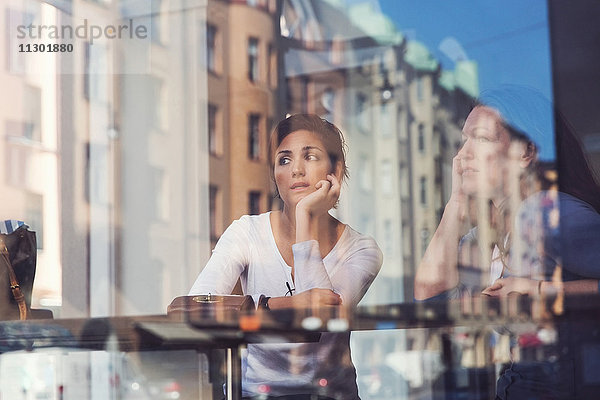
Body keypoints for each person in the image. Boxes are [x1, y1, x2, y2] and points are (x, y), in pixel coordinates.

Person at [413, 85, 600, 399]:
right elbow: (429, 297)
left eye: (483, 139)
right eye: (464, 140)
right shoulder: (489, 235)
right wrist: (456, 202)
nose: (462, 156)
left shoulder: (548, 214)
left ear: (525, 153)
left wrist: (542, 291)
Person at [189, 114, 383, 400]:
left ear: (336, 170)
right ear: (274, 175)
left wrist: (305, 217)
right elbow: (195, 308)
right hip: (257, 395)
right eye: (284, 160)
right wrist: (278, 305)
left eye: (311, 157)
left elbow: (321, 318)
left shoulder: (362, 249)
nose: (296, 170)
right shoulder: (246, 231)